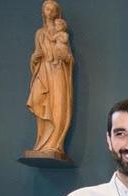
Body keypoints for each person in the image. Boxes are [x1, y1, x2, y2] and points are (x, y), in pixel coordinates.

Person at [26, 0, 73, 157]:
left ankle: (55, 144)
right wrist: (34, 58)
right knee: (41, 102)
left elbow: (68, 58)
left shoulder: (62, 34)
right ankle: (42, 144)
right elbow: (36, 54)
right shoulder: (39, 34)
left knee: (58, 105)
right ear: (43, 11)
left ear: (56, 13)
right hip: (43, 72)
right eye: (47, 8)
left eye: (53, 9)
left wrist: (64, 56)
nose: (50, 12)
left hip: (58, 72)